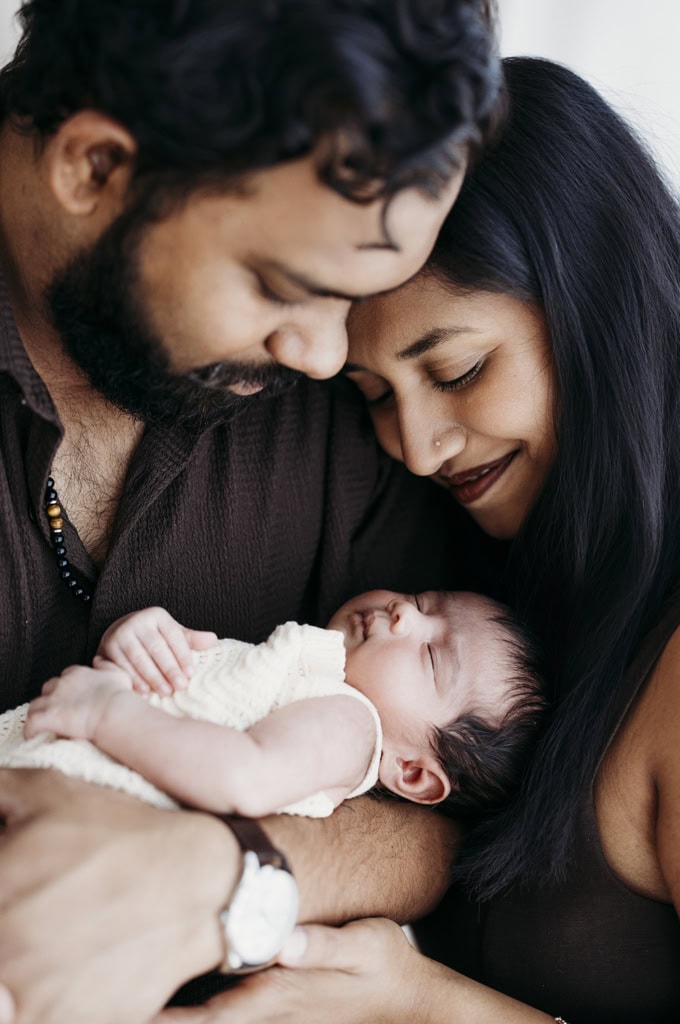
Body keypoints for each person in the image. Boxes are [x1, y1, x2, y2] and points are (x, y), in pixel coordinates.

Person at [0, 2, 504, 1022]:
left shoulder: (340, 407)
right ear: (94, 168)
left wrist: (215, 878)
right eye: (284, 288)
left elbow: (441, 809)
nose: (325, 355)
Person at [220, 57, 680, 1024]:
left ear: (600, 313)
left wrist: (420, 1003)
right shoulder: (500, 576)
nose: (417, 448)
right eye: (377, 395)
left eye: (461, 369)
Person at [6, 592, 545, 822]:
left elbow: (243, 776)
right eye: (426, 599)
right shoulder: (301, 671)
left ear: (411, 772)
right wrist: (140, 649)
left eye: (431, 656)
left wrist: (107, 714)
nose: (404, 611)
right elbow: (193, 701)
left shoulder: (350, 727)